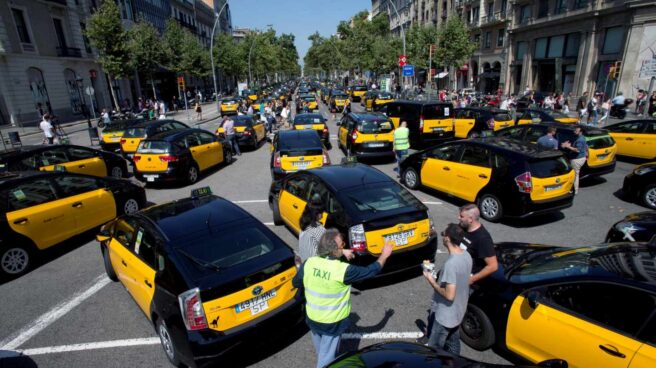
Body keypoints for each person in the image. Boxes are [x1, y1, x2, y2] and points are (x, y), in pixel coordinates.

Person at [292, 229, 393, 368]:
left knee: (322, 351)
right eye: (342, 245)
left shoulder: (309, 263)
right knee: (326, 360)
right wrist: (384, 255)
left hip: (313, 318)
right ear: (334, 250)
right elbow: (371, 271)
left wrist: (342, 251)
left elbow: (296, 283)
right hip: (332, 323)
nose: (343, 246)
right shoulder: (344, 270)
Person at [423, 223, 472, 354]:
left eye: (444, 234)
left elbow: (449, 295)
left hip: (446, 316)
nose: (442, 236)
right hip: (459, 310)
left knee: (435, 349)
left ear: (448, 239)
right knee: (453, 342)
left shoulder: (451, 264)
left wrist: (432, 281)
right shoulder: (466, 255)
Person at [458, 204, 498, 285]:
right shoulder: (464, 228)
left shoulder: (483, 238)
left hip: (468, 281)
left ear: (470, 219)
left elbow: (493, 266)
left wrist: (471, 279)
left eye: (461, 216)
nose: (458, 218)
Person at [562, 126, 588, 195]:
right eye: (575, 130)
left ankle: (574, 190)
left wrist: (567, 146)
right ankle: (574, 189)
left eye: (576, 131)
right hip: (582, 158)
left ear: (580, 132)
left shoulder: (580, 140)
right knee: (576, 174)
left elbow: (577, 150)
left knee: (575, 175)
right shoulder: (582, 137)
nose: (574, 132)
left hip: (577, 159)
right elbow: (585, 146)